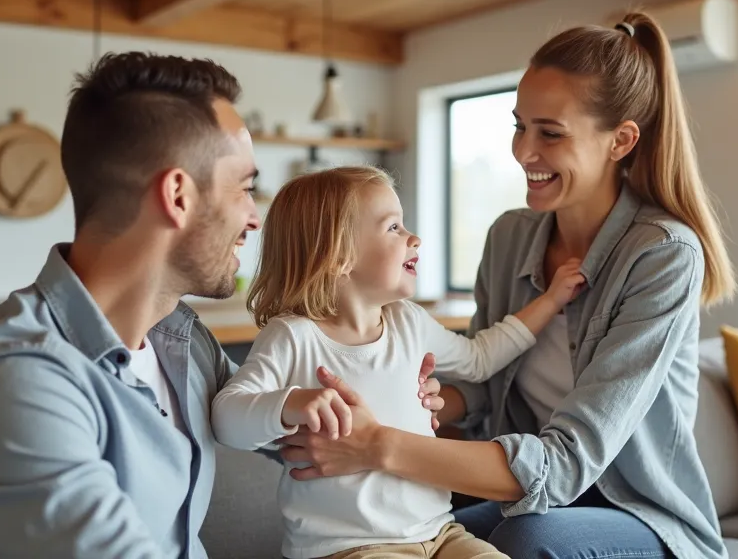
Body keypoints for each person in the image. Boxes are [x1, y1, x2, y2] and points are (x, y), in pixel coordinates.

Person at [0, 52, 439, 559]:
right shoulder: (18, 383)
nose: (255, 218)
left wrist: (387, 395)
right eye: (244, 188)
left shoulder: (179, 340)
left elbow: (291, 430)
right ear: (178, 196)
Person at [273, 14, 738, 559]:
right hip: (534, 497)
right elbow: (483, 388)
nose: (523, 152)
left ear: (621, 141)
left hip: (638, 514)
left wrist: (377, 445)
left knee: (522, 539)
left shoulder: (662, 255)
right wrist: (398, 400)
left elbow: (565, 464)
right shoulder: (510, 237)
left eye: (550, 133)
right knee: (404, 530)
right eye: (520, 126)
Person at [210, 166, 586, 559]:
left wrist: (550, 301)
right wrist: (290, 404)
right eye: (393, 228)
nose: (414, 238)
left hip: (440, 533)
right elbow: (226, 419)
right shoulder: (292, 337)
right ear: (338, 256)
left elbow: (479, 359)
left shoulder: (409, 321)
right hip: (349, 547)